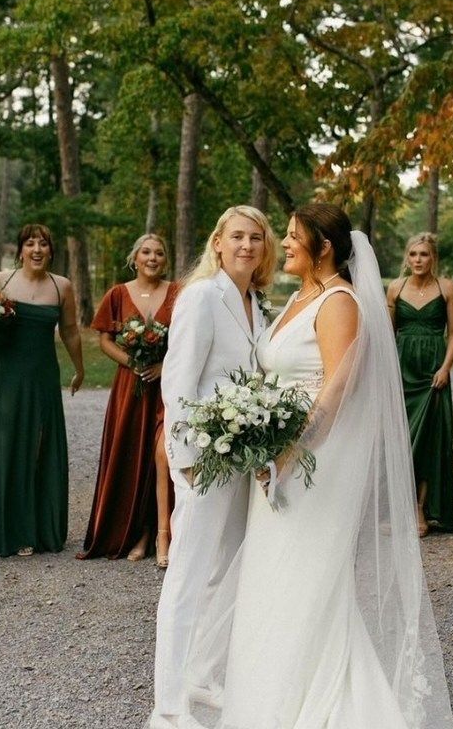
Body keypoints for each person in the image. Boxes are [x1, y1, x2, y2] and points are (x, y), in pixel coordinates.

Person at [178, 204, 453, 729]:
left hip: (313, 468)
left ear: (323, 247)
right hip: (277, 462)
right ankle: (267, 697)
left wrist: (289, 452)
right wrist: (256, 440)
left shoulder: (340, 303)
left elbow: (335, 392)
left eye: (290, 237)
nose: (280, 245)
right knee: (273, 579)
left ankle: (315, 702)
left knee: (304, 582)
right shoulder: (299, 298)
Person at [149, 205, 277, 729]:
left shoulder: (258, 305)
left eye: (257, 238)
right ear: (218, 242)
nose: (247, 246)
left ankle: (204, 675)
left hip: (244, 462)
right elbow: (178, 384)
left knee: (228, 572)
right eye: (238, 237)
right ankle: (169, 704)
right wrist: (186, 462)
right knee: (187, 576)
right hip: (206, 461)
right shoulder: (201, 296)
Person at [0, 223, 84, 558]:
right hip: (4, 377)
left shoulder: (62, 287)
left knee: (37, 447)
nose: (37, 250)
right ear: (20, 250)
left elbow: (70, 331)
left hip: (42, 377)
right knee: (5, 446)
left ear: (52, 251)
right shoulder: (1, 281)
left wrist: (79, 368)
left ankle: (34, 530)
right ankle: (3, 531)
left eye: (44, 244)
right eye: (30, 244)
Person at [77, 234, 177, 566]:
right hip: (129, 388)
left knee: (161, 456)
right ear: (135, 258)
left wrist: (164, 366)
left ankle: (156, 531)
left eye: (159, 253)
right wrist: (131, 361)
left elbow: (189, 337)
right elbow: (104, 339)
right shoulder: (118, 294)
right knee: (131, 453)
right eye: (146, 252)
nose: (152, 258)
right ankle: (132, 532)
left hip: (165, 386)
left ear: (165, 259)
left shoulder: (178, 293)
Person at [387, 232, 453, 535]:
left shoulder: (447, 287)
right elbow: (388, 335)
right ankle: (400, 507)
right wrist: (388, 375)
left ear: (434, 258)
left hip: (433, 374)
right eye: (414, 254)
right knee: (402, 440)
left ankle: (421, 509)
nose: (418, 260)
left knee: (429, 440)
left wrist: (445, 368)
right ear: (407, 257)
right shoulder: (394, 288)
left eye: (424, 255)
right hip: (402, 372)